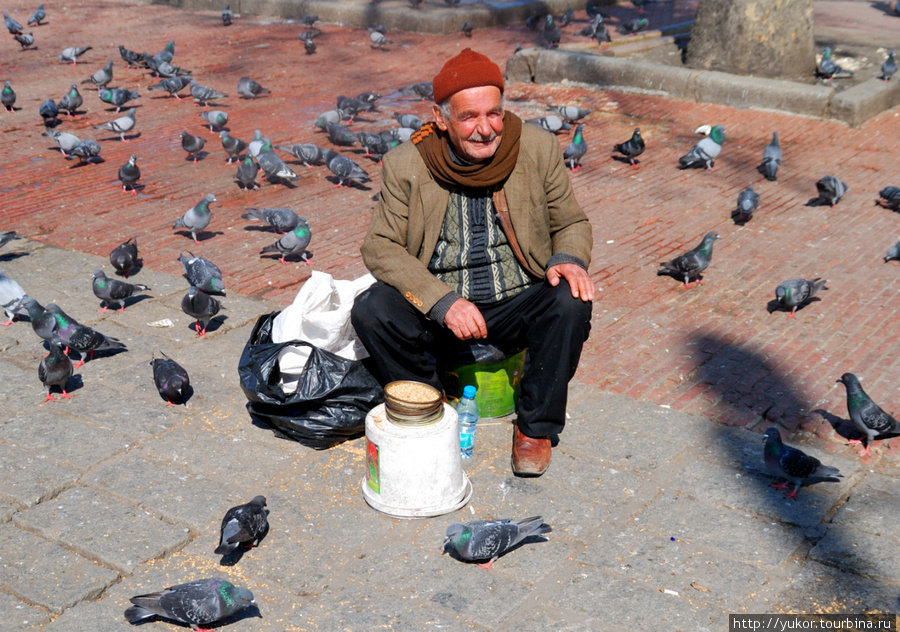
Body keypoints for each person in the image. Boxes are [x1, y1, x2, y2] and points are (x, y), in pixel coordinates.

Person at [351, 48, 593, 476]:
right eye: (469, 118)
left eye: (494, 114)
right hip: (442, 309)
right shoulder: (407, 163)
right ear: (441, 118)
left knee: (571, 300)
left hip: (517, 297)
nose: (486, 129)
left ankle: (535, 427)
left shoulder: (535, 148)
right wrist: (441, 301)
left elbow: (570, 219)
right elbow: (380, 246)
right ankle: (430, 406)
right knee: (373, 308)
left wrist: (568, 258)